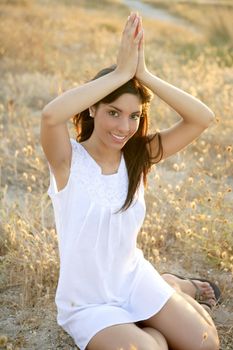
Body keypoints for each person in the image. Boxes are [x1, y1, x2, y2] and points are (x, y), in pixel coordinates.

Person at [40, 12, 220, 350]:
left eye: (134, 116)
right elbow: (51, 115)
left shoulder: (137, 156)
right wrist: (121, 73)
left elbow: (203, 118)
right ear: (92, 108)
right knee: (150, 349)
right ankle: (156, 314)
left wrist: (144, 75)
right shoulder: (67, 162)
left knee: (206, 344)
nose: (124, 127)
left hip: (134, 280)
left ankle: (167, 285)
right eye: (113, 112)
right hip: (89, 303)